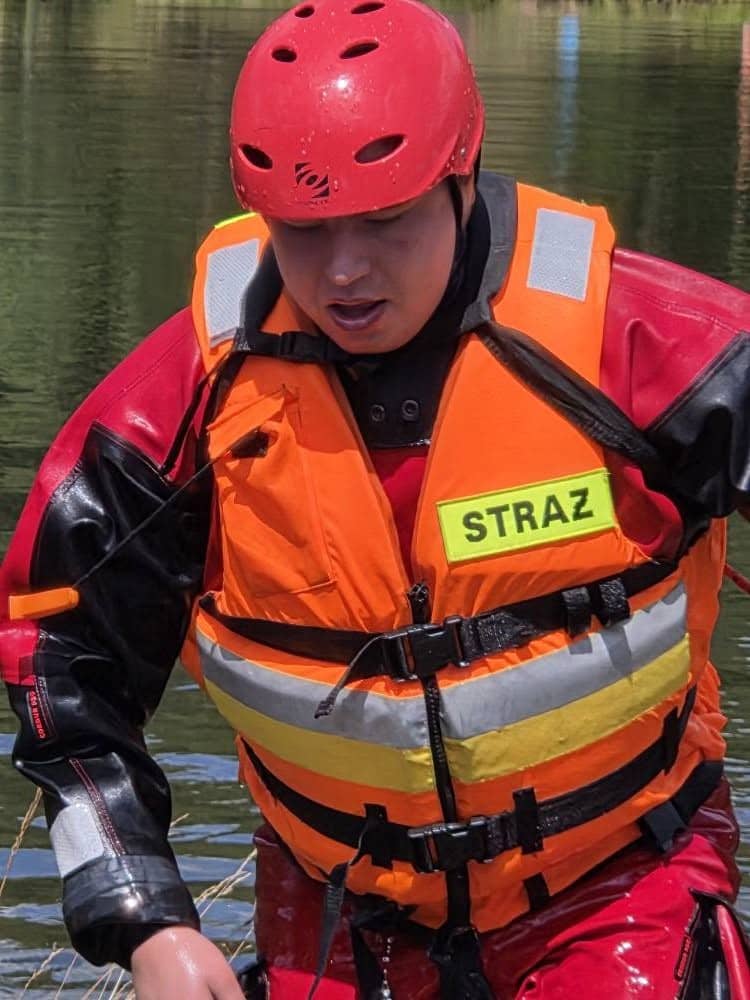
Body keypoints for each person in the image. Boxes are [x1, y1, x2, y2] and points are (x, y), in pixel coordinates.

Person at [2, 1, 750, 997]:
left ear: (462, 178)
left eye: (387, 219)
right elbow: (59, 653)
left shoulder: (633, 340)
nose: (345, 270)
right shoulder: (194, 394)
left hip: (618, 884)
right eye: (304, 230)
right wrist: (147, 921)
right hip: (338, 908)